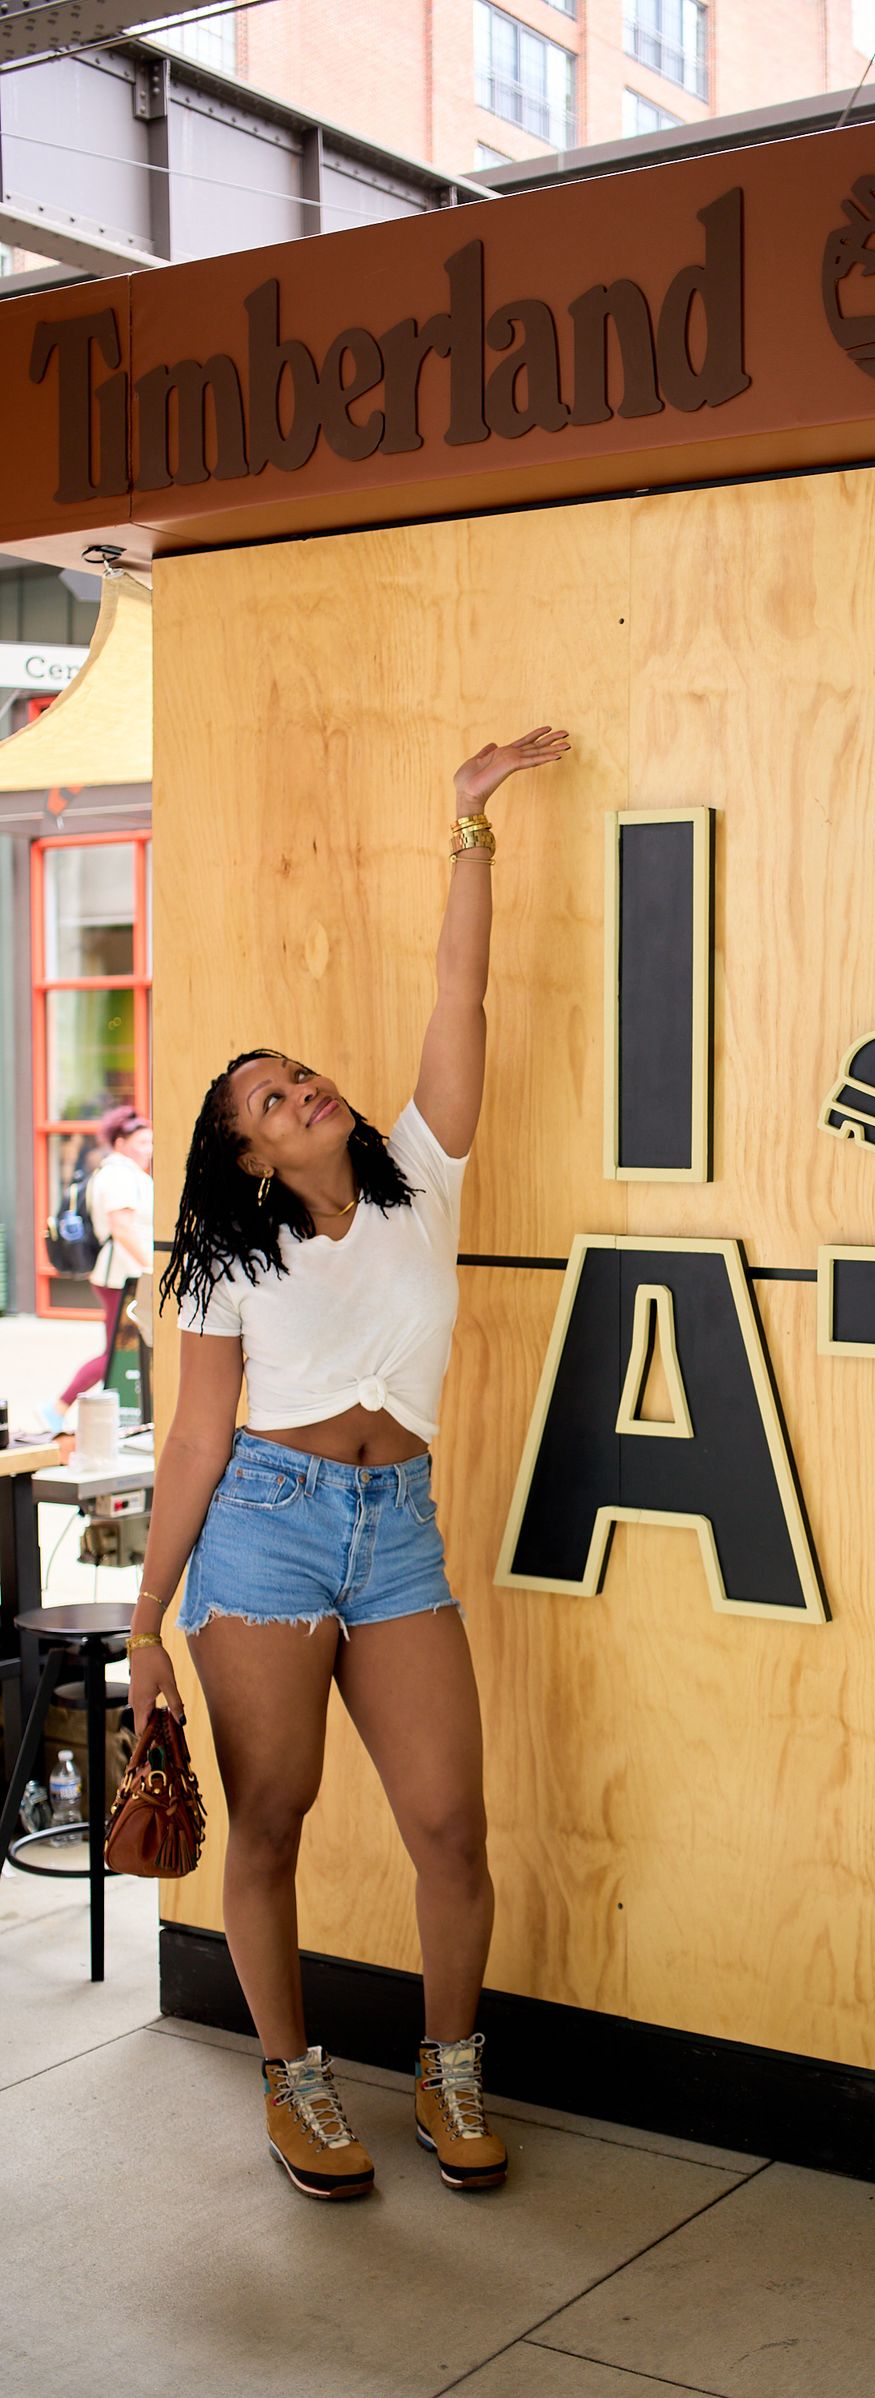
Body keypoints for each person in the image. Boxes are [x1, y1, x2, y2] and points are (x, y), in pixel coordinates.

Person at [129, 723, 571, 2201]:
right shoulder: (221, 1255)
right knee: (273, 1820)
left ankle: (450, 2074)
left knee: (451, 1822)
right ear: (247, 1155)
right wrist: (144, 1625)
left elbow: (463, 990)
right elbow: (197, 1433)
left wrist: (469, 825)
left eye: (302, 1073)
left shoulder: (424, 1176)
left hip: (398, 1530)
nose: (303, 1089)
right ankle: (294, 2081)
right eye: (270, 1097)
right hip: (263, 1531)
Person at [39, 1103, 154, 1436]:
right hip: (122, 1276)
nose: (148, 1149)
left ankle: (88, 1412)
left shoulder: (127, 1173)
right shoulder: (117, 1174)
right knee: (117, 1354)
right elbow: (123, 1228)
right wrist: (153, 1267)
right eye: (141, 1142)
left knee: (124, 1353)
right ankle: (57, 1407)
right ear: (119, 1143)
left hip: (128, 1274)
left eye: (150, 1142)